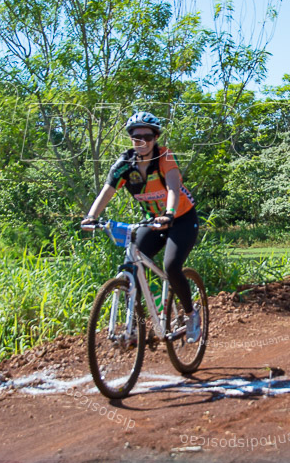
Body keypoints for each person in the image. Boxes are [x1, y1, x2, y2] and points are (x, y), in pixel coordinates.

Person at [81, 112, 202, 342]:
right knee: (131, 265)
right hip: (153, 221)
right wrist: (91, 216)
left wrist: (169, 213)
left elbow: (174, 189)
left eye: (147, 136)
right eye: (137, 137)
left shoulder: (165, 157)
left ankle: (190, 314)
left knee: (171, 266)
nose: (142, 142)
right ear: (131, 139)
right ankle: (135, 326)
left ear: (155, 137)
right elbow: (107, 191)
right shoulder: (125, 164)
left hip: (182, 218)